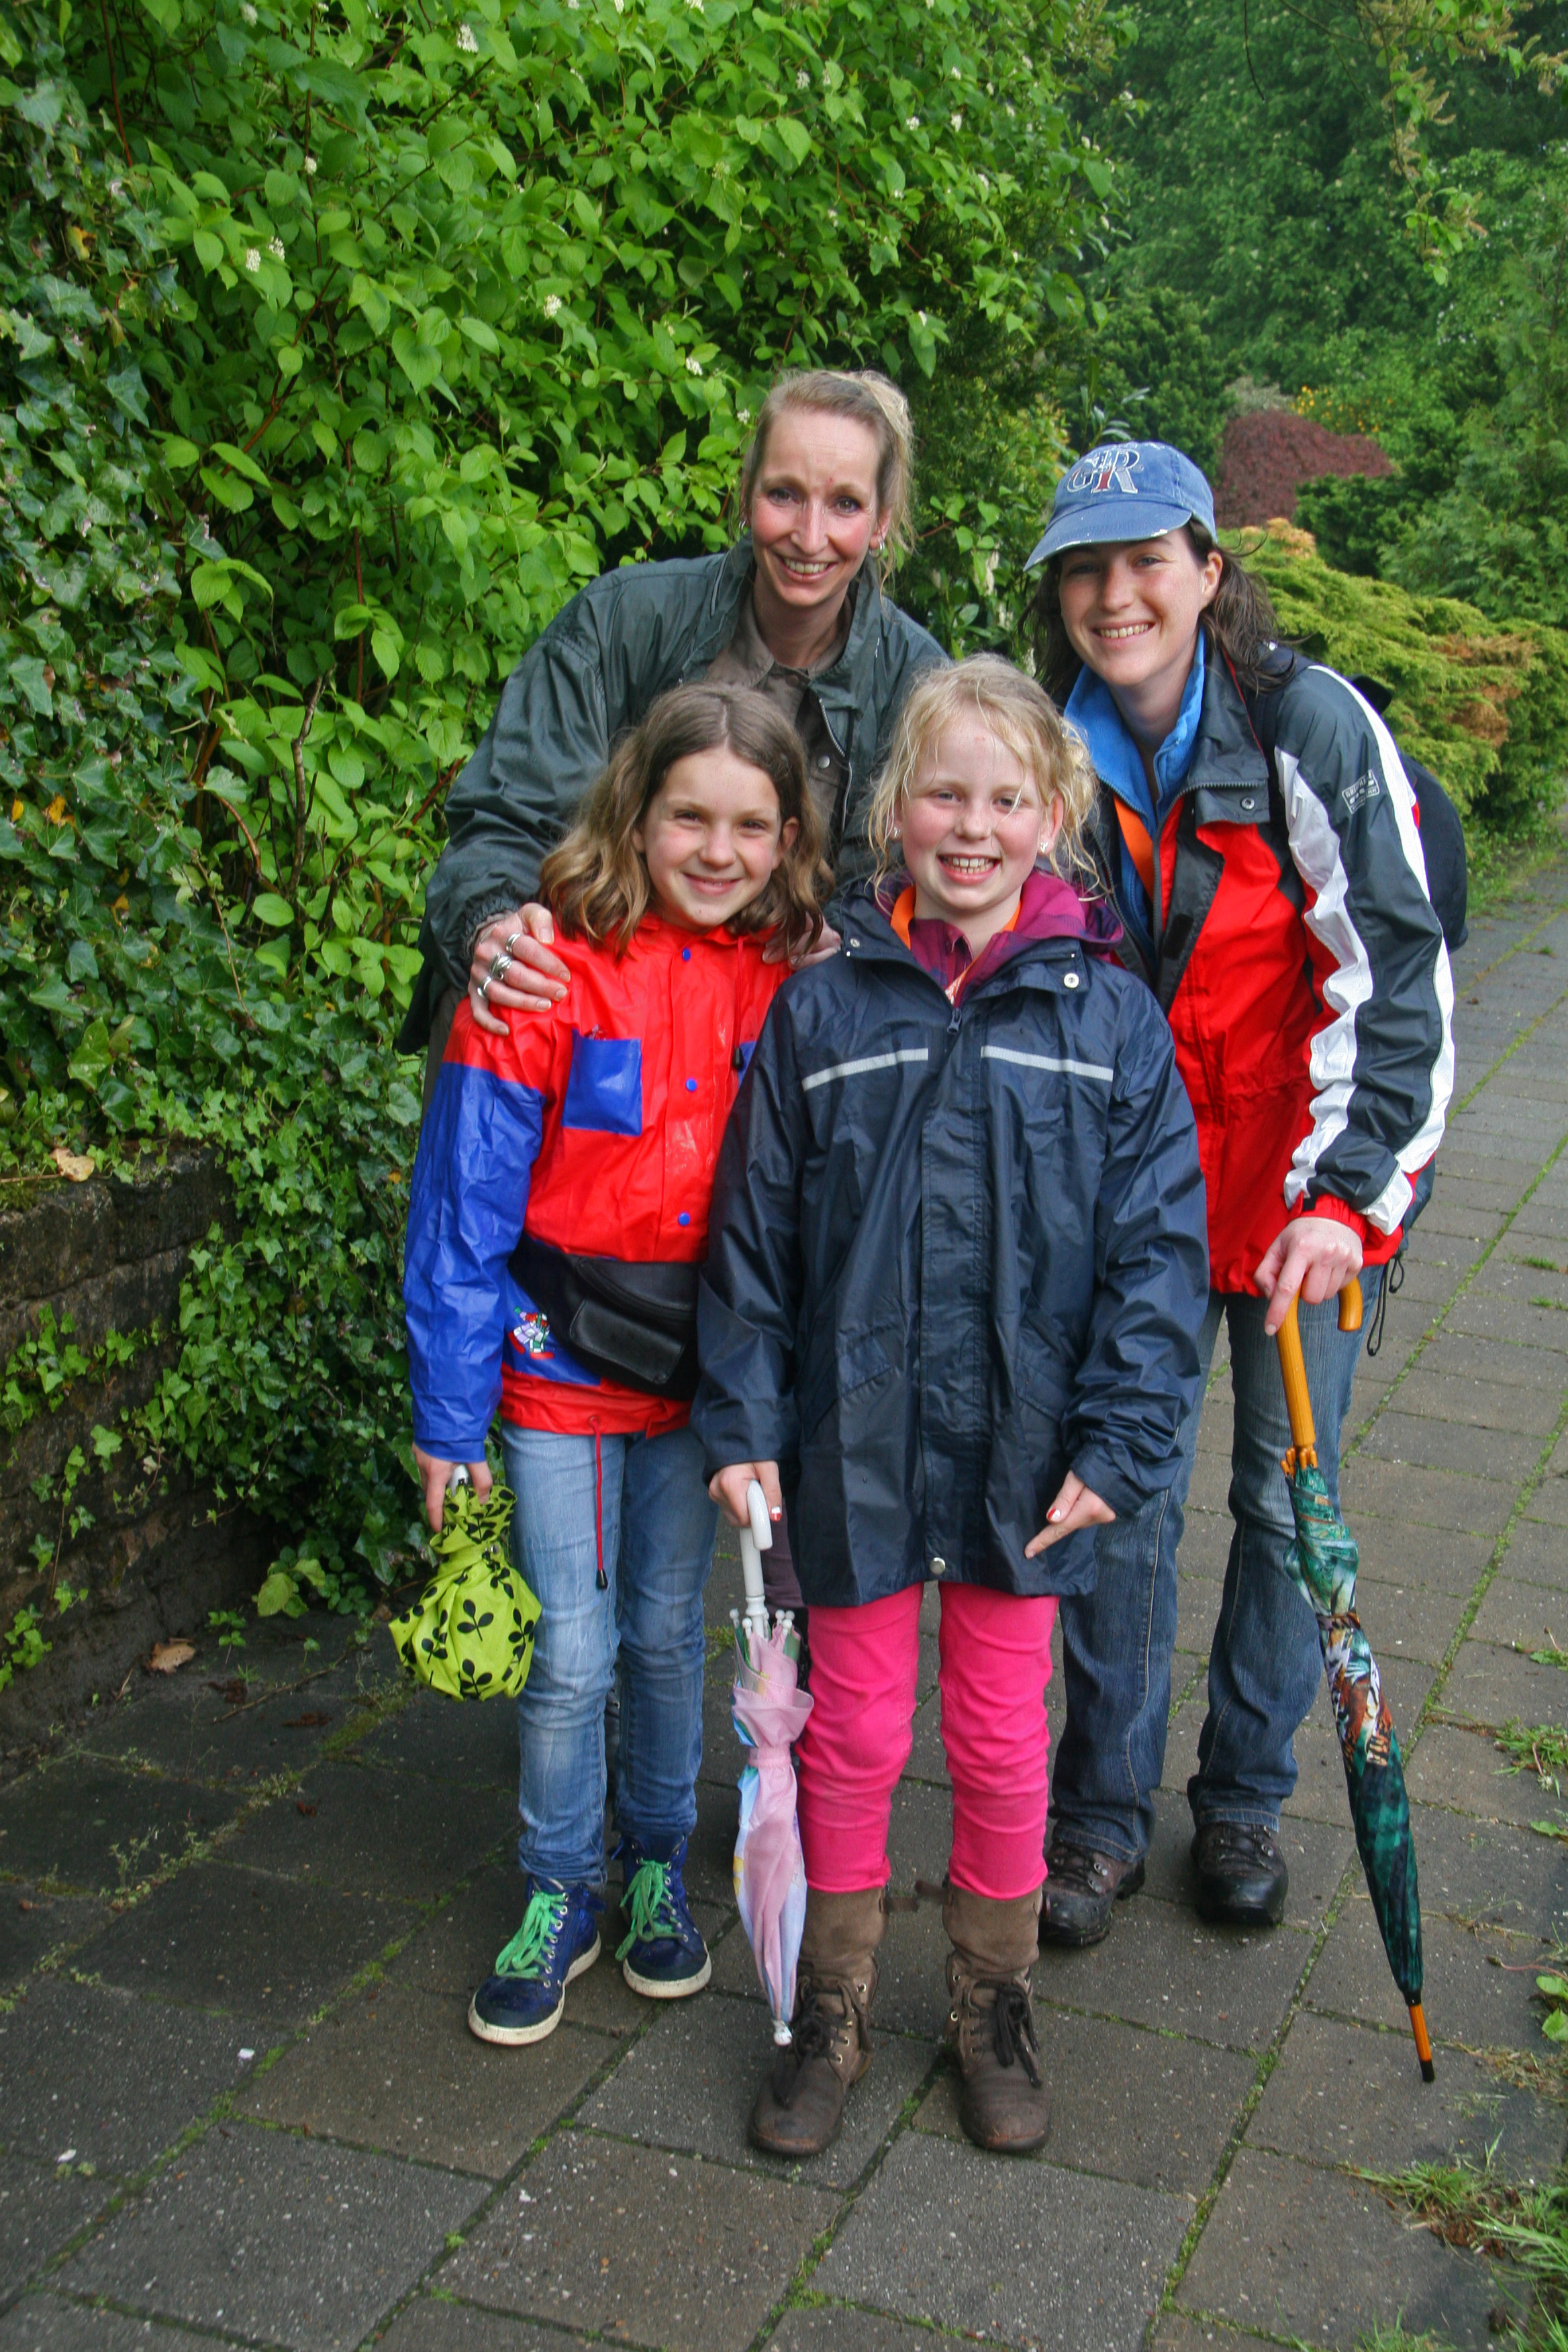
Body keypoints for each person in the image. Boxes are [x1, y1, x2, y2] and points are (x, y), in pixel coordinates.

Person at [693, 657, 1208, 2158]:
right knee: (851, 1732)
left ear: (1052, 814)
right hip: (851, 1440)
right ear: (893, 811)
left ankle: (991, 1997)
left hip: (1028, 1453)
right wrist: (742, 1421)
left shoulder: (1112, 1021)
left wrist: (1121, 1436)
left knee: (997, 1736)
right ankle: (833, 2001)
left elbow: (1157, 1252)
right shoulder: (822, 1009)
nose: (970, 825)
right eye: (941, 793)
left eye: (1003, 798)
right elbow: (753, 1235)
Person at [1027, 441, 1454, 1944]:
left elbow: (1397, 976)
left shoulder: (1307, 726)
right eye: (1085, 569)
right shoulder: (1044, 752)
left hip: (1299, 1198)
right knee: (1116, 1497)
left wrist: (1345, 1199)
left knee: (1285, 1504)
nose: (1115, 595)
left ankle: (1244, 1798)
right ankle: (1096, 1816)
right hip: (1131, 1204)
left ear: (1209, 572)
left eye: (1147, 560)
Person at [403, 684, 826, 2047]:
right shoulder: (545, 970)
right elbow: (463, 1203)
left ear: (789, 837)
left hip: (705, 1381)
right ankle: (557, 1885)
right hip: (559, 1370)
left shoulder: (798, 981)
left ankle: (652, 1862)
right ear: (635, 814)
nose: (717, 849)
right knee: (571, 1652)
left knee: (661, 1634)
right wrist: (448, 1417)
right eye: (688, 816)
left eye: (750, 824)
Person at [397, 367, 946, 1085]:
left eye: (844, 504)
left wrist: (852, 943)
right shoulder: (623, 620)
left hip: (785, 1014)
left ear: (879, 522)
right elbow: (505, 817)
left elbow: (943, 882)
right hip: (607, 984)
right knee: (495, 984)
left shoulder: (919, 686)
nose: (809, 536)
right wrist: (492, 923)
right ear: (745, 494)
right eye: (783, 494)